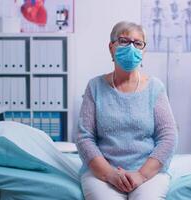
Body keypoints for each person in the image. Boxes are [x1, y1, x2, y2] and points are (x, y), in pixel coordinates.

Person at [76, 21, 178, 200]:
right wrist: (109, 174)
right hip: (102, 173)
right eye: (124, 41)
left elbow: (168, 137)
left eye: (138, 43)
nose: (131, 48)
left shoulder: (155, 88)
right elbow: (84, 138)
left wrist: (141, 175)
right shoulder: (95, 87)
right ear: (111, 47)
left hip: (148, 172)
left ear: (143, 51)